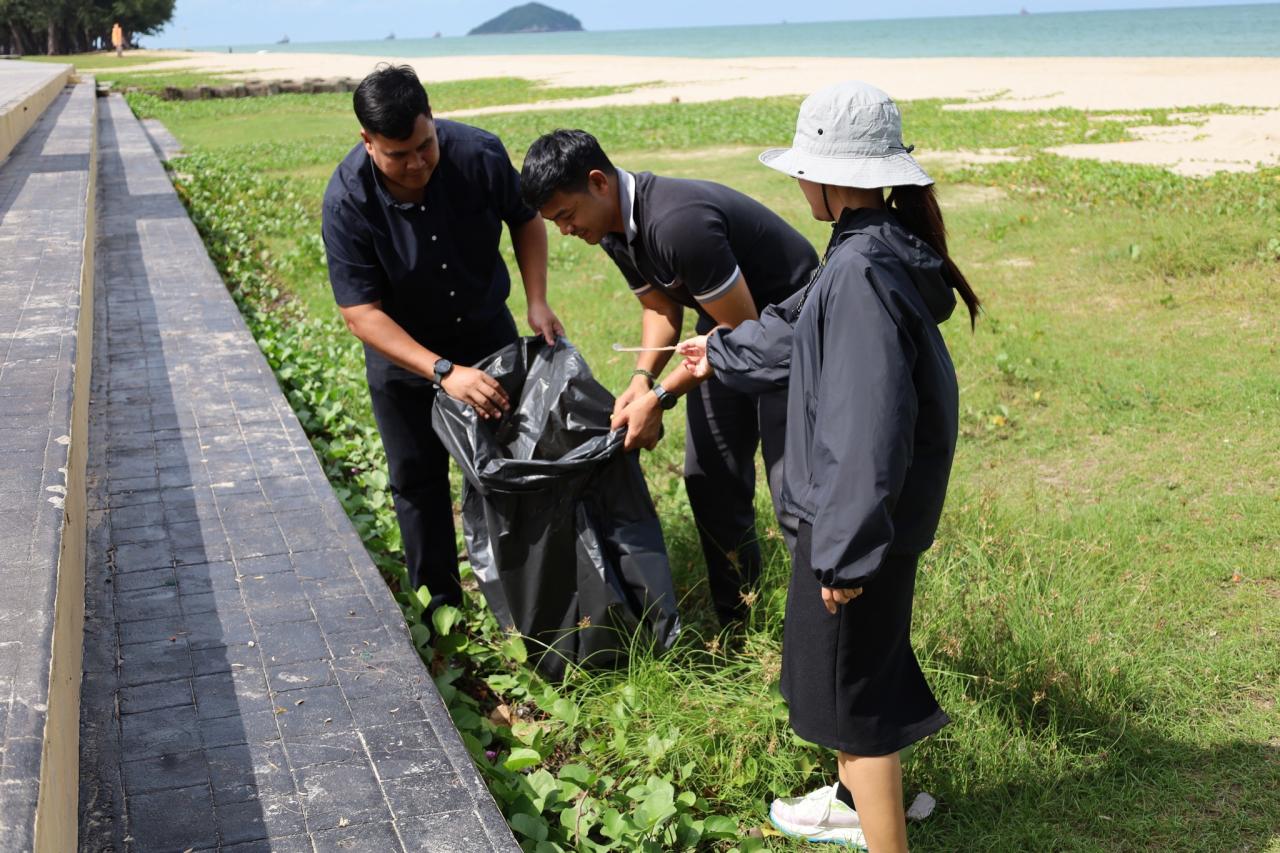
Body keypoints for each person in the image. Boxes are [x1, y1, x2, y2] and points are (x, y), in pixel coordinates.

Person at [677, 81, 980, 851]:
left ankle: (875, 826)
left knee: (854, 706)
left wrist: (843, 551)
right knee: (864, 673)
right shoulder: (869, 248)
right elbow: (792, 331)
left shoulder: (857, 271)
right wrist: (716, 351)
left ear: (821, 174)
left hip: (853, 524)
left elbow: (863, 423)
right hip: (873, 518)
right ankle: (867, 803)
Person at [519, 130, 819, 627]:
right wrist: (641, 380)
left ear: (598, 182)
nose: (566, 231)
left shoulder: (678, 224)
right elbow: (659, 306)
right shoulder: (612, 228)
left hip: (791, 338)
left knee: (795, 491)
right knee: (710, 479)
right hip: (726, 329)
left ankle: (816, 626)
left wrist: (660, 396)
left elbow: (745, 335)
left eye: (566, 216)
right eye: (555, 223)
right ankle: (740, 618)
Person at [321, 64, 563, 612]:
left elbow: (524, 219)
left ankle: (531, 604)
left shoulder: (479, 153)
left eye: (425, 145)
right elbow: (361, 314)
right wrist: (443, 372)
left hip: (488, 337)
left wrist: (536, 298)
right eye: (398, 154)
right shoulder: (346, 201)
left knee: (511, 468)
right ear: (367, 141)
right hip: (404, 358)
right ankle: (441, 614)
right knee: (417, 485)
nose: (417, 164)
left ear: (433, 119)